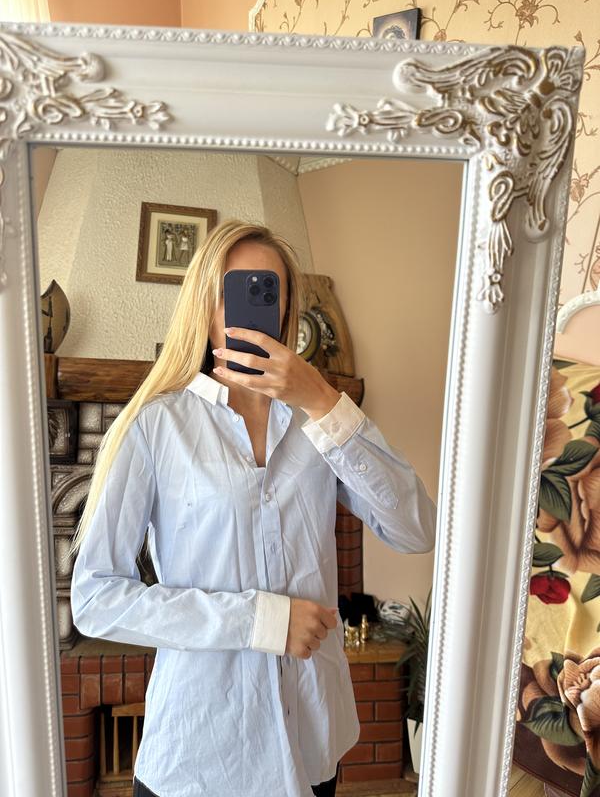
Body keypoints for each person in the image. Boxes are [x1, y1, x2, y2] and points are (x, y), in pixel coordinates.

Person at [69, 219, 437, 797]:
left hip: (310, 735)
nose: (252, 306)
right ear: (205, 305)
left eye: (269, 290)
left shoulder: (321, 421)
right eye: (235, 291)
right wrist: (259, 621)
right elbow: (95, 599)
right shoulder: (157, 427)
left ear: (286, 308)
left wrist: (324, 400)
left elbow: (415, 530)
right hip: (200, 750)